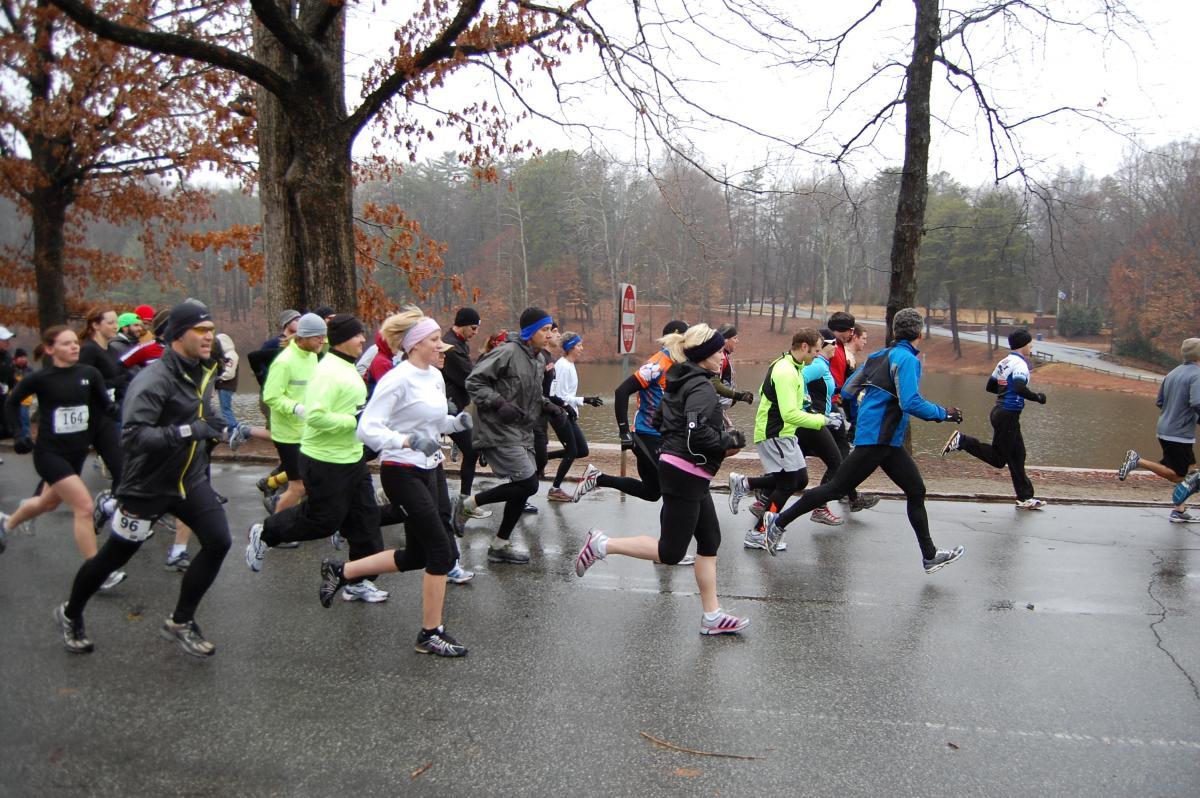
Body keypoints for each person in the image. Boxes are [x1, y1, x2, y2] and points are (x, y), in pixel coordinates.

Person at [52, 302, 233, 656]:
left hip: (188, 480)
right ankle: (71, 612)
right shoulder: (154, 380)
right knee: (114, 557)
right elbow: (133, 438)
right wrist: (188, 431)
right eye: (201, 329)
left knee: (218, 541)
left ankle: (181, 621)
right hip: (147, 485)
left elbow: (198, 410)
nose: (209, 335)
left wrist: (215, 425)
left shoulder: (200, 369)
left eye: (212, 328)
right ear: (178, 334)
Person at [574, 324, 751, 635]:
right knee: (670, 552)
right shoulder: (700, 388)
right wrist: (727, 442)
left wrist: (710, 441)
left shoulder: (679, 379)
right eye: (720, 350)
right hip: (685, 472)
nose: (724, 355)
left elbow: (659, 419)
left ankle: (712, 616)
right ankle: (603, 544)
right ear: (706, 354)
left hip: (683, 467)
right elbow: (697, 432)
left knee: (710, 541)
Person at [761, 309, 966, 574]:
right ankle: (777, 522)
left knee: (916, 490)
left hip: (886, 439)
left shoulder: (879, 356)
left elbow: (847, 390)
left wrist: (859, 418)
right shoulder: (906, 359)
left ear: (895, 332)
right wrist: (945, 413)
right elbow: (910, 401)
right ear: (920, 333)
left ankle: (929, 555)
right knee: (836, 488)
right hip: (879, 438)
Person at [319, 310, 476, 657]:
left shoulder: (434, 376)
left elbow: (431, 423)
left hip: (431, 469)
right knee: (442, 551)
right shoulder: (397, 378)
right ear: (415, 343)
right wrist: (406, 442)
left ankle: (340, 570)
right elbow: (367, 429)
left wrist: (454, 422)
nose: (442, 346)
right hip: (401, 471)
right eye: (435, 340)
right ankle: (429, 633)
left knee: (420, 554)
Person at [246, 315, 393, 599]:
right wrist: (355, 421)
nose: (364, 339)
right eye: (358, 335)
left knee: (366, 520)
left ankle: (357, 581)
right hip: (325, 460)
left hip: (352, 457)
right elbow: (315, 417)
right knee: (324, 520)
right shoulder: (327, 372)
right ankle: (266, 533)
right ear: (342, 340)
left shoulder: (343, 366)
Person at [0, 326, 118, 580]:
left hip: (76, 453)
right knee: (84, 507)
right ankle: (97, 573)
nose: (75, 347)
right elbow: (11, 403)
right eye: (66, 344)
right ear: (50, 349)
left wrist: (118, 411)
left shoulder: (90, 373)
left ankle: (6, 524)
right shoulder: (40, 379)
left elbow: (105, 406)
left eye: (75, 342)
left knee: (47, 503)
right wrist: (20, 434)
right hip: (49, 454)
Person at [453, 307, 568, 563]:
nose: (549, 335)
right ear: (529, 332)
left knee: (522, 489)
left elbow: (531, 393)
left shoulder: (538, 359)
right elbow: (474, 382)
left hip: (522, 430)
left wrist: (550, 407)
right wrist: (497, 403)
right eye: (544, 330)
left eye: (550, 330)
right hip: (497, 427)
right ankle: (468, 504)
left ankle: (500, 545)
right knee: (528, 483)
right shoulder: (506, 352)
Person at [729, 328, 840, 550]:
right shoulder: (786, 371)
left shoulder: (795, 367)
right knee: (789, 482)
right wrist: (823, 420)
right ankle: (758, 532)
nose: (818, 356)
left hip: (785, 433)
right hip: (774, 433)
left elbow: (771, 394)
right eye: (816, 351)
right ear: (805, 347)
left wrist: (817, 411)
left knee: (800, 480)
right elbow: (789, 413)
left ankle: (745, 483)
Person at [571, 320, 690, 504]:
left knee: (652, 492)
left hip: (665, 435)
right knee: (673, 486)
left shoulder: (680, 364)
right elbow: (621, 391)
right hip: (646, 434)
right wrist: (624, 431)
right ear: (676, 339)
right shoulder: (656, 365)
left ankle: (597, 478)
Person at [941, 329, 1048, 510]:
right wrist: (1038, 397)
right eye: (1030, 343)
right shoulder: (1021, 364)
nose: (1031, 346)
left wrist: (1006, 391)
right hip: (1007, 415)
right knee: (999, 460)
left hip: (1001, 412)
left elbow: (991, 386)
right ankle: (963, 441)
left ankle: (1025, 497)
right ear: (1023, 345)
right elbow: (1020, 387)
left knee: (1018, 455)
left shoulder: (1004, 362)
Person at [1116, 337, 1200, 523]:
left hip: (1165, 428)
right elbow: (1197, 402)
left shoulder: (1173, 373)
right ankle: (1138, 461)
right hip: (1179, 433)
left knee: (1191, 473)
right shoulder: (1197, 375)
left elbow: (1160, 402)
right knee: (1180, 476)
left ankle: (1179, 510)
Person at [261, 312, 326, 514]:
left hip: (307, 431)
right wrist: (296, 408)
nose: (322, 341)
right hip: (288, 435)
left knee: (313, 480)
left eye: (324, 336)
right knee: (298, 486)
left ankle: (288, 511)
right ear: (303, 337)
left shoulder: (313, 356)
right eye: (318, 337)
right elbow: (271, 396)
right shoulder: (284, 362)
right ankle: (275, 528)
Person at [441, 307, 488, 516]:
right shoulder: (451, 347)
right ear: (462, 324)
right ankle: (464, 503)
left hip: (453, 408)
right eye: (474, 327)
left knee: (471, 451)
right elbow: (471, 377)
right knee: (471, 451)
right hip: (446, 410)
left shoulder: (458, 343)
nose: (476, 332)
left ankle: (462, 501)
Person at [545, 331, 602, 501]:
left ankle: (541, 457)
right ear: (570, 347)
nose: (582, 348)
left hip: (568, 413)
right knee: (571, 451)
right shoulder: (562, 366)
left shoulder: (569, 364)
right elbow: (557, 395)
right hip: (559, 413)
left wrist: (583, 401)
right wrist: (585, 399)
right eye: (579, 345)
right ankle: (555, 489)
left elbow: (567, 395)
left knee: (582, 450)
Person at [76, 308, 128, 488]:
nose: (116, 326)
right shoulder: (89, 350)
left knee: (121, 470)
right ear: (96, 325)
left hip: (105, 417)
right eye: (111, 322)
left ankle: (116, 511)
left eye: (117, 322)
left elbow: (120, 380)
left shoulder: (112, 351)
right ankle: (32, 506)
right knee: (66, 474)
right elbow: (81, 382)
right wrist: (115, 381)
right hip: (86, 418)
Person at [711, 323, 755, 429]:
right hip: (715, 410)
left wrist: (735, 398)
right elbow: (714, 385)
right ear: (725, 340)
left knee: (733, 438)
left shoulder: (725, 356)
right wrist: (738, 396)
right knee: (731, 439)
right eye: (735, 338)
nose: (737, 341)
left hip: (720, 409)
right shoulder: (722, 359)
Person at [214, 332, 240, 434]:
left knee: (226, 410)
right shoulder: (227, 355)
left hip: (226, 386)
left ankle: (233, 430)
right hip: (224, 386)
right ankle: (232, 429)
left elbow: (229, 373)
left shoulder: (231, 356)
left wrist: (217, 377)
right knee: (225, 409)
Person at [11, 348, 33, 438]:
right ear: (16, 359)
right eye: (21, 357)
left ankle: (26, 437)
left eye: (24, 357)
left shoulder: (29, 370)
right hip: (13, 399)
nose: (23, 359)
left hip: (25, 400)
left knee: (24, 419)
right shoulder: (11, 369)